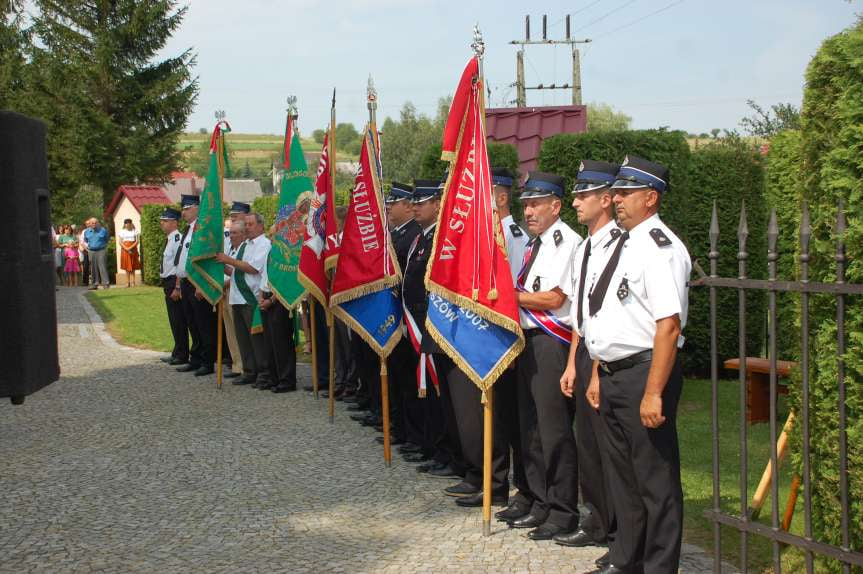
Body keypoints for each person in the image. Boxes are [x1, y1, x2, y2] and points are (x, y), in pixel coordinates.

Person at [583, 156, 691, 574]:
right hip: (613, 373)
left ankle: (660, 566)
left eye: (626, 193)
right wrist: (597, 370)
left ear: (651, 197)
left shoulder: (660, 247)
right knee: (622, 479)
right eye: (617, 192)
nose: (618, 199)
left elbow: (668, 325)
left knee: (655, 480)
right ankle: (627, 560)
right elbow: (608, 317)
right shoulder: (624, 243)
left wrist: (653, 392)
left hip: (645, 374)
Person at [506, 171, 582, 542]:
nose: (529, 211)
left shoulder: (567, 242)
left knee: (554, 431)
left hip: (552, 342)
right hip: (528, 339)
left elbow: (555, 299)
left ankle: (563, 509)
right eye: (526, 204)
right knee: (529, 428)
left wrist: (505, 296)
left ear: (556, 205)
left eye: (536, 204)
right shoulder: (536, 243)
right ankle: (538, 499)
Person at [558, 161, 621, 565]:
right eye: (577, 194)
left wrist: (595, 367)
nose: (576, 202)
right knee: (588, 443)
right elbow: (580, 314)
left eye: (584, 195)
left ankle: (617, 529)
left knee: (608, 446)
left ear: (605, 199)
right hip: (583, 350)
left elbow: (607, 315)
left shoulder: (618, 244)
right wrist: (571, 363)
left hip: (605, 354)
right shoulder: (585, 246)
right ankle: (597, 519)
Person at [400, 178, 465, 488]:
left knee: (439, 394)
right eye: (413, 202)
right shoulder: (421, 239)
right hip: (417, 324)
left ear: (438, 204)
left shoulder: (442, 238)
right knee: (425, 391)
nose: (415, 206)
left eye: (421, 202)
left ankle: (445, 451)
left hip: (435, 326)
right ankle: (432, 446)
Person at [383, 183, 423, 449]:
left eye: (392, 204)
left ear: (406, 206)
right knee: (400, 380)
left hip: (414, 322)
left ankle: (416, 436)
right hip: (400, 318)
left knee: (412, 383)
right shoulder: (403, 235)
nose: (387, 208)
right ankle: (402, 429)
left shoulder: (413, 235)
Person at [216, 212, 272, 389]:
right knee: (243, 339)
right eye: (246, 224)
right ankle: (249, 371)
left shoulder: (264, 244)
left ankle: (264, 374)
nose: (247, 227)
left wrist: (228, 259)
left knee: (256, 339)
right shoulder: (244, 245)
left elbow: (253, 268)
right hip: (237, 296)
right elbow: (236, 272)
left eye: (250, 224)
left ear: (260, 226)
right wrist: (221, 264)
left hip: (252, 297)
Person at [174, 194, 217, 377]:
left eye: (187, 208)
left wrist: (201, 284)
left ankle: (207, 362)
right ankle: (196, 358)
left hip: (197, 283)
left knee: (203, 323)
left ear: (198, 208)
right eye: (183, 209)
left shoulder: (202, 229)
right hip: (185, 282)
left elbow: (206, 258)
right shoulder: (188, 229)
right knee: (192, 323)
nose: (184, 212)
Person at [157, 207, 189, 366]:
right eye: (162, 221)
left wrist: (177, 287)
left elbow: (179, 265)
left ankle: (182, 353)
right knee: (174, 319)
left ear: (175, 222)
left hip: (173, 282)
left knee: (179, 320)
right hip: (167, 282)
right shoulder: (170, 239)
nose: (162, 223)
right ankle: (178, 351)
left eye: (166, 221)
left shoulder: (178, 240)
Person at [220, 219, 246, 379]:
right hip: (226, 292)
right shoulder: (230, 249)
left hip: (237, 292)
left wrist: (226, 283)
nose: (231, 236)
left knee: (238, 331)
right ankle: (236, 364)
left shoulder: (244, 250)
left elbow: (241, 273)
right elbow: (230, 271)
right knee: (230, 331)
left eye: (235, 233)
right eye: (230, 233)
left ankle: (244, 366)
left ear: (243, 235)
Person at [84, 218, 110, 289]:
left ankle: (105, 284)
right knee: (93, 268)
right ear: (90, 224)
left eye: (95, 223)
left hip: (101, 250)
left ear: (98, 223)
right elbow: (85, 240)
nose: (94, 224)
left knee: (102, 266)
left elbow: (107, 239)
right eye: (92, 223)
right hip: (92, 251)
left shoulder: (103, 230)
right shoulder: (87, 231)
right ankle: (94, 284)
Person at [118, 218, 141, 287]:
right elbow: (120, 242)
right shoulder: (122, 231)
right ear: (124, 224)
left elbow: (137, 241)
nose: (127, 225)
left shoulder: (135, 231)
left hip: (133, 249)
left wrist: (130, 248)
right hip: (125, 250)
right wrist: (126, 248)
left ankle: (133, 282)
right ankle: (127, 282)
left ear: (131, 224)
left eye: (129, 223)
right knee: (126, 266)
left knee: (133, 265)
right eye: (126, 223)